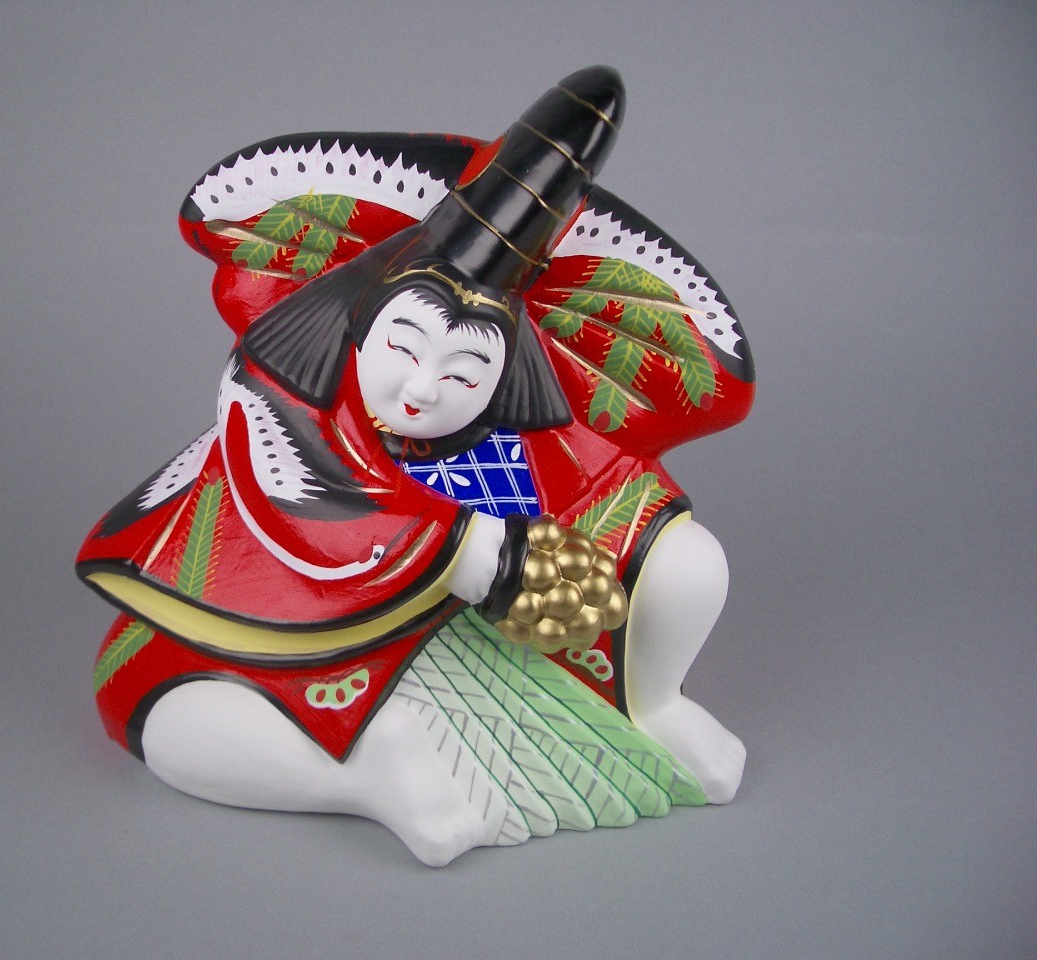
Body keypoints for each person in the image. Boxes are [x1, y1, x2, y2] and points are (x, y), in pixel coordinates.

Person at [77, 66, 753, 865]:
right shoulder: (281, 396)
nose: (423, 388)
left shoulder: (527, 423)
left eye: (465, 375)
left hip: (498, 608)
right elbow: (295, 494)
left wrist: (560, 561)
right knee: (148, 698)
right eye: (403, 348)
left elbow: (596, 482)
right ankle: (372, 771)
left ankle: (653, 704)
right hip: (316, 606)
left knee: (688, 560)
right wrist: (469, 552)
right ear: (362, 324)